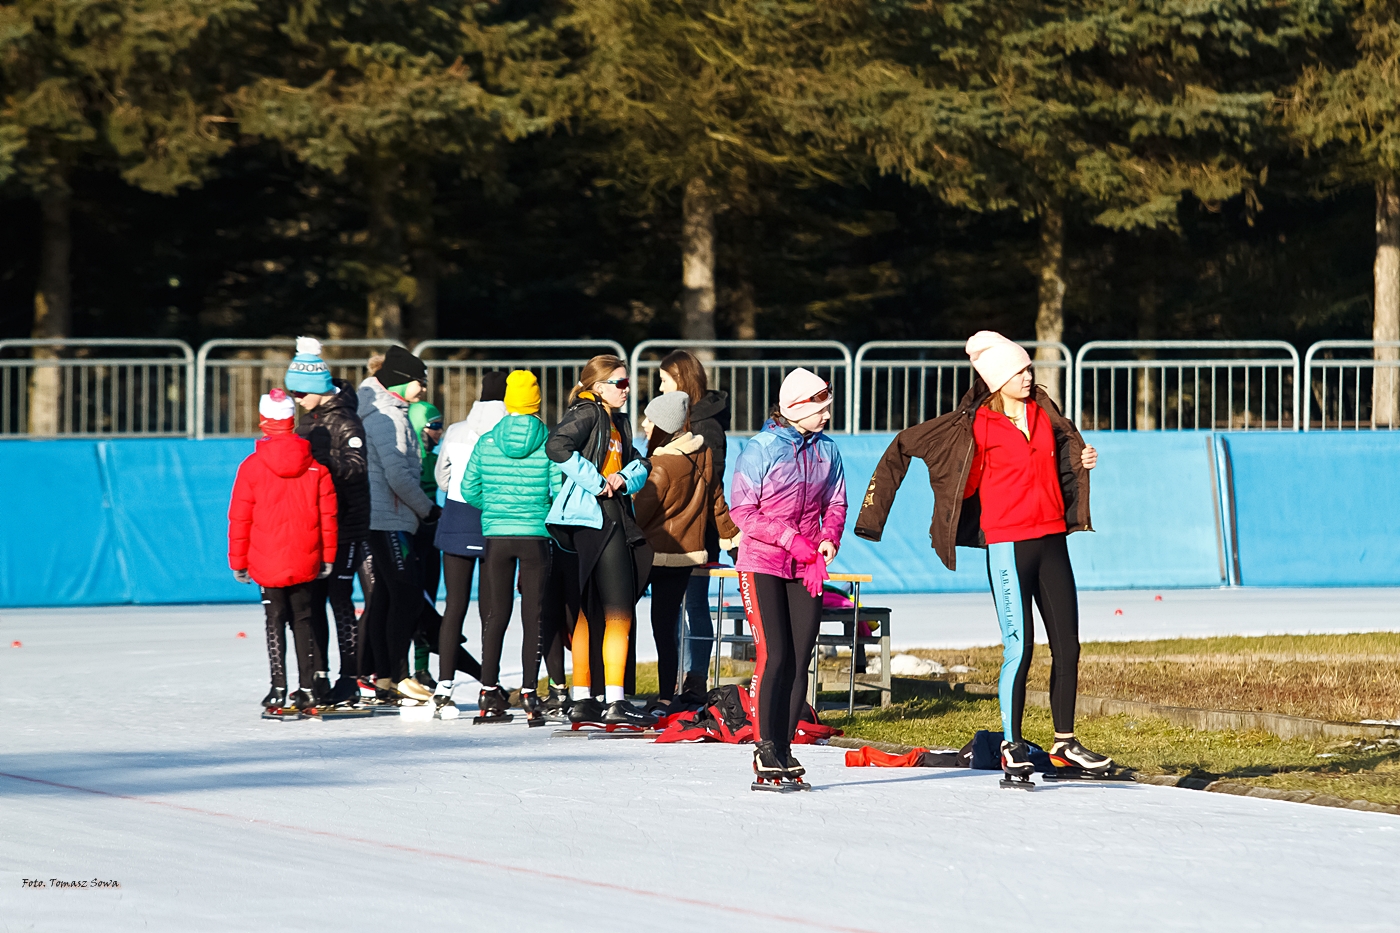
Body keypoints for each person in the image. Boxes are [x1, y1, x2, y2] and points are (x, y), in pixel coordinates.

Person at [853, 331, 1107, 779]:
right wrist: (954, 481)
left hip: (1052, 539)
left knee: (1067, 645)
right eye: (1018, 371)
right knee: (1020, 647)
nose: (1028, 377)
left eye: (1028, 368)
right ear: (995, 380)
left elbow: (1056, 458)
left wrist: (1079, 460)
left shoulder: (1043, 411)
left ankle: (1065, 744)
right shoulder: (975, 426)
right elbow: (921, 456)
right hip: (1008, 544)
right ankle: (1012, 746)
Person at [729, 368, 847, 785]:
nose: (828, 416)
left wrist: (829, 537)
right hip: (762, 561)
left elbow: (836, 500)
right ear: (796, 407)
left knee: (800, 658)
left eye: (829, 408)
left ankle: (783, 746)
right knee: (775, 655)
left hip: (806, 566)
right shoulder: (760, 449)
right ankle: (764, 749)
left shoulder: (827, 450)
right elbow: (742, 511)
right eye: (821, 408)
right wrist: (790, 539)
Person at [545, 355, 654, 727]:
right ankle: (614, 700)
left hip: (605, 517)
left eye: (628, 383)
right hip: (597, 519)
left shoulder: (616, 419)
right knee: (617, 611)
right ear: (598, 386)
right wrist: (598, 483)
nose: (627, 389)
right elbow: (557, 446)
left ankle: (583, 699)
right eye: (620, 383)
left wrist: (623, 478)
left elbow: (643, 465)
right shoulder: (588, 413)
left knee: (590, 611)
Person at [461, 370, 562, 722]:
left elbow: (468, 487)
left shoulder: (487, 441)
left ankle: (489, 691)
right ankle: (531, 694)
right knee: (532, 613)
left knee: (495, 613)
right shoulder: (549, 441)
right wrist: (540, 512)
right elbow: (557, 487)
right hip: (535, 536)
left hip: (497, 536)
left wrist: (494, 509)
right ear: (535, 402)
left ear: (508, 402)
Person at [228, 389, 338, 711]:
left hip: (265, 559)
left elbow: (240, 517)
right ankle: (308, 689)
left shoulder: (250, 467)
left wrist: (239, 561)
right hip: (305, 558)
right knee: (303, 619)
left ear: (264, 422)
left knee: (274, 620)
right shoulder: (317, 469)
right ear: (291, 422)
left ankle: (278, 687)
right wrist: (327, 558)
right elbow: (328, 517)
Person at [633, 390, 740, 706]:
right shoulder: (703, 455)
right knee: (669, 627)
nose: (644, 424)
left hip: (654, 555)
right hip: (687, 556)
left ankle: (616, 691)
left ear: (664, 425)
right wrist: (731, 537)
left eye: (650, 420)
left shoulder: (661, 464)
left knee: (626, 619)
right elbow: (717, 502)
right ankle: (668, 697)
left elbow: (641, 513)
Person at [287, 336, 369, 707]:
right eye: (292, 392)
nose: (296, 398)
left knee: (339, 598)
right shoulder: (309, 419)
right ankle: (317, 674)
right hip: (317, 524)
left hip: (347, 523)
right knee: (314, 598)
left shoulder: (346, 419)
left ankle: (349, 677)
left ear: (317, 389)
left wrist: (321, 462)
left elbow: (357, 467)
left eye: (300, 392)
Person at [358, 345, 441, 704]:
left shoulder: (394, 410)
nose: (423, 389)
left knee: (389, 598)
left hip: (390, 517)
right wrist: (428, 510)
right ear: (401, 381)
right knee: (405, 595)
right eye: (419, 382)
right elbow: (399, 476)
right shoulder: (385, 417)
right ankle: (399, 675)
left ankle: (387, 678)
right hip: (387, 518)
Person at [657, 350, 732, 700]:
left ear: (682, 381)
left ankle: (695, 678)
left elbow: (709, 481)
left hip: (699, 530)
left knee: (695, 606)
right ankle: (673, 677)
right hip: (669, 530)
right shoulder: (674, 418)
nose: (659, 387)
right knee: (669, 610)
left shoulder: (706, 424)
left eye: (664, 381)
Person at [432, 371, 507, 708]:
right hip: (495, 520)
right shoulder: (509, 433)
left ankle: (443, 687)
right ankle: (489, 687)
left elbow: (441, 477)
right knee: (492, 609)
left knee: (454, 607)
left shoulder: (456, 431)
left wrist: (460, 491)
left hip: (457, 515)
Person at [408, 399, 445, 686]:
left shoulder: (435, 458)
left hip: (430, 538)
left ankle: (421, 668)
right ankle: (392, 669)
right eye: (434, 426)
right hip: (409, 537)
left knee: (428, 602)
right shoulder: (409, 461)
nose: (440, 431)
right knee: (405, 603)